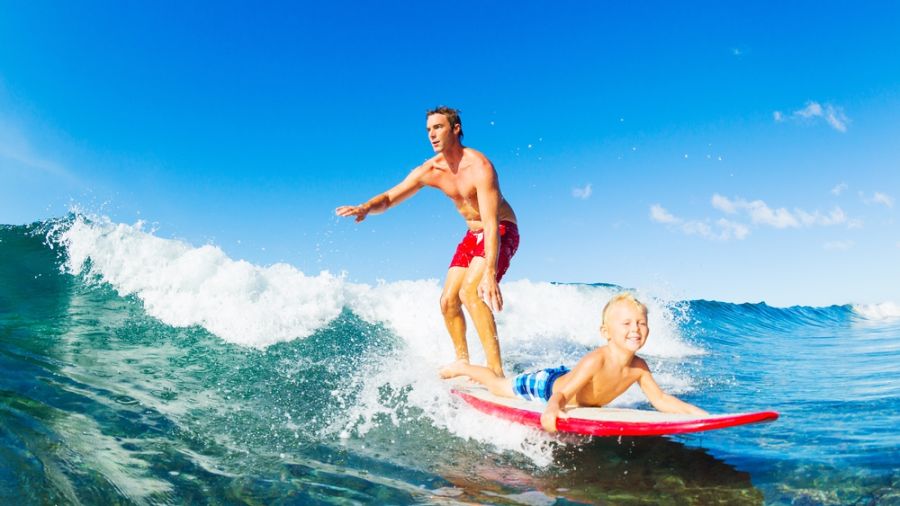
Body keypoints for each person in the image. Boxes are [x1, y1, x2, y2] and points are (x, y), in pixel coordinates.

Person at [335, 106, 518, 376]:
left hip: (501, 229)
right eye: (429, 129)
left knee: (470, 292)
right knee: (447, 301)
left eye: (439, 127)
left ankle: (496, 372)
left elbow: (490, 223)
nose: (432, 134)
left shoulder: (479, 167)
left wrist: (489, 272)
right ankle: (462, 361)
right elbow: (389, 198)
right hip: (472, 235)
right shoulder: (430, 169)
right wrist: (365, 207)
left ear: (455, 128)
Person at [439, 292, 708, 432]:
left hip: (568, 377)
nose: (635, 329)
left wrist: (702, 417)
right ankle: (464, 367)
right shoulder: (597, 359)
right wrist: (551, 410)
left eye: (641, 323)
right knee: (499, 386)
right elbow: (562, 393)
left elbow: (661, 400)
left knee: (503, 385)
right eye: (626, 323)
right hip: (547, 386)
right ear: (606, 332)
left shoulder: (639, 368)